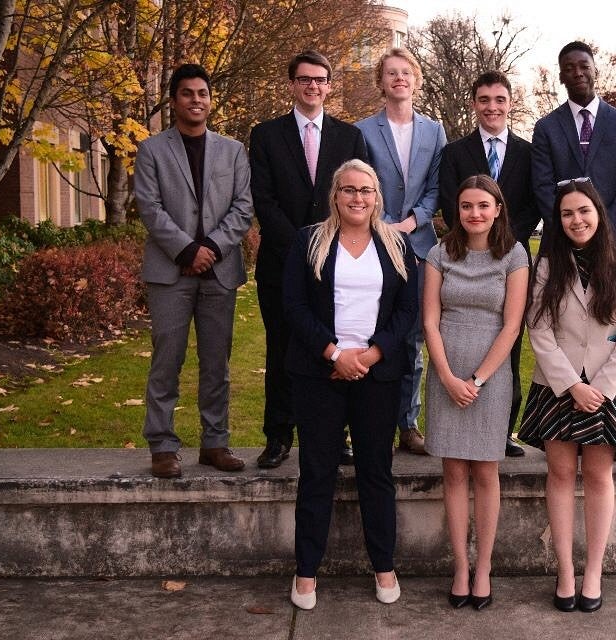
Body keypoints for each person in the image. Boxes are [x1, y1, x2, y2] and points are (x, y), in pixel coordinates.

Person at [283, 159, 418, 610]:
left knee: (375, 473)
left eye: (366, 190)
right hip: (320, 373)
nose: (357, 198)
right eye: (348, 190)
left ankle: (384, 566)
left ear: (377, 197)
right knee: (317, 473)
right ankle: (305, 572)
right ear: (335, 195)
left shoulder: (397, 245)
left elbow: (406, 311)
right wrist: (336, 354)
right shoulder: (309, 241)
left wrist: (372, 353)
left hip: (377, 375)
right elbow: (294, 306)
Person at [518, 179, 616, 613]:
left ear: (599, 214)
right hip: (559, 387)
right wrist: (572, 384)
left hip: (608, 390)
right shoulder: (548, 267)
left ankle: (593, 571)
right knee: (558, 476)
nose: (577, 220)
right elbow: (538, 329)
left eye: (584, 211)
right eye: (568, 213)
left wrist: (601, 388)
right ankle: (565, 572)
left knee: (597, 477)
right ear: (559, 220)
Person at [249, 50, 368, 469]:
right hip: (281, 263)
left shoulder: (349, 138)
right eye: (304, 79)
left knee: (333, 349)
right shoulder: (265, 135)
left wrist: (327, 247)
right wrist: (304, 245)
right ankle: (278, 436)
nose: (312, 86)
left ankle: (335, 437)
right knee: (282, 350)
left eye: (320, 79)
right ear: (292, 85)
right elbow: (263, 199)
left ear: (329, 85)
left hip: (337, 266)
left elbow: (354, 197)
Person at [134, 63, 254, 479]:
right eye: (187, 93)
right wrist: (187, 249)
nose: (196, 100)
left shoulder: (233, 151)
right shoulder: (152, 150)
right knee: (167, 360)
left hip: (219, 271)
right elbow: (149, 207)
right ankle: (163, 445)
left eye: (202, 93)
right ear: (174, 100)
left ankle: (215, 442)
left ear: (210, 99)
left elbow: (243, 207)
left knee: (216, 362)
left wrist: (213, 248)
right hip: (171, 272)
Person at [424, 175, 529, 610]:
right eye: (466, 206)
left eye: (483, 205)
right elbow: (430, 320)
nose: (474, 213)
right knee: (453, 473)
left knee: (486, 472)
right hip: (446, 370)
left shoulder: (515, 255)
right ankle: (460, 568)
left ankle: (483, 567)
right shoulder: (438, 253)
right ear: (457, 210)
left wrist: (478, 380)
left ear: (498, 208)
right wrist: (448, 377)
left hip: (491, 375)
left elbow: (512, 324)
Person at [439, 70, 540, 458]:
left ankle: (503, 430)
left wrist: (504, 241)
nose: (492, 107)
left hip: (512, 257)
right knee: (462, 337)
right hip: (465, 255)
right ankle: (459, 419)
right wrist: (477, 239)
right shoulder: (455, 153)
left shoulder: (528, 153)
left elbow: (533, 203)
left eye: (499, 99)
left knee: (509, 338)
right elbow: (451, 203)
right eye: (484, 100)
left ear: (510, 103)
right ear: (474, 105)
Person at [356, 47, 447, 456]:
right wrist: (384, 223)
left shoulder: (434, 131)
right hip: (373, 242)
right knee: (368, 333)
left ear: (416, 79)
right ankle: (367, 424)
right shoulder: (363, 130)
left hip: (420, 245)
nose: (399, 79)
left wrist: (411, 222)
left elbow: (437, 186)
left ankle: (408, 425)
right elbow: (361, 184)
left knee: (412, 339)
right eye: (391, 73)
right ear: (381, 81)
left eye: (405, 72)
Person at [532, 41, 616, 251]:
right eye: (569, 69)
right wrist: (571, 229)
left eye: (584, 66)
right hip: (560, 245)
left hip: (612, 241)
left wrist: (603, 230)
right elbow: (543, 187)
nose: (578, 73)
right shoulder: (546, 128)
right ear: (561, 77)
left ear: (595, 70)